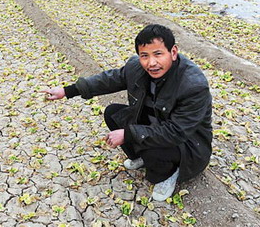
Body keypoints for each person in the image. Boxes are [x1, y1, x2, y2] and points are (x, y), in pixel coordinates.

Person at [43, 24, 212, 201]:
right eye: (144, 56)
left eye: (158, 54)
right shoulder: (136, 68)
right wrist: (67, 91)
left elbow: (175, 132)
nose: (151, 62)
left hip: (187, 145)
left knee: (149, 147)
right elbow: (108, 80)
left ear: (173, 52)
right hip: (155, 125)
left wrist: (129, 134)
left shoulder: (193, 85)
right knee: (112, 113)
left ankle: (168, 175)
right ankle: (142, 157)